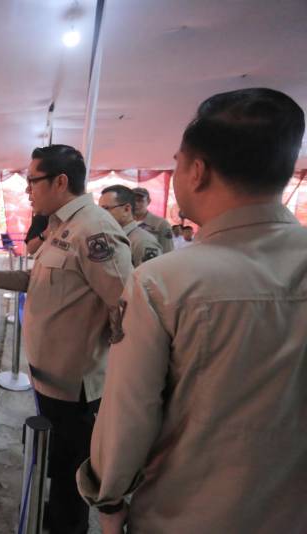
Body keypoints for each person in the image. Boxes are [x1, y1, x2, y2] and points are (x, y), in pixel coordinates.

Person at [77, 88, 307, 534]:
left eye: (178, 163)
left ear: (197, 171)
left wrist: (108, 499)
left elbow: (128, 416)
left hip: (185, 513)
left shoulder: (163, 283)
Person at [0, 145, 132, 534]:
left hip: (76, 388)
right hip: (50, 379)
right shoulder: (61, 225)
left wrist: (115, 358)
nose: (27, 190)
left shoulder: (93, 230)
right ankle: (55, 515)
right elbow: (42, 281)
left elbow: (127, 304)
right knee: (56, 465)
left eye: (33, 181)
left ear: (60, 182)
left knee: (71, 473)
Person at [99, 185, 162, 266]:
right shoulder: (113, 236)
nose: (101, 214)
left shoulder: (143, 241)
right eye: (100, 210)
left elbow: (151, 273)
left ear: (126, 209)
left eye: (106, 208)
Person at [132, 187, 174, 253]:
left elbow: (168, 251)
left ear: (148, 201)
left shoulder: (161, 224)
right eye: (132, 201)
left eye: (140, 200)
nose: (136, 204)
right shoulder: (123, 222)